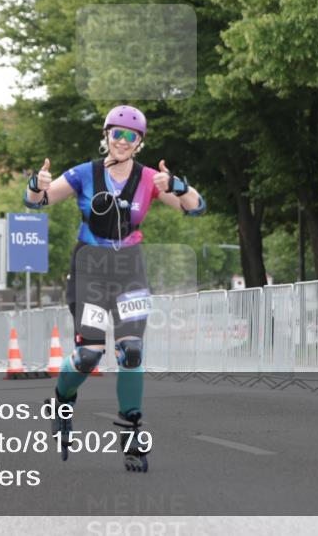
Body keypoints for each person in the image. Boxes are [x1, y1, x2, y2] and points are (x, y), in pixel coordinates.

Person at [24, 105, 206, 472]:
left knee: (132, 351)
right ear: (106, 135)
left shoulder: (150, 178)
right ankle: (62, 399)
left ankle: (131, 430)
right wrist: (35, 185)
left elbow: (196, 207)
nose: (122, 141)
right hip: (89, 267)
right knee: (90, 354)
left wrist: (179, 186)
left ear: (140, 143)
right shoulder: (83, 173)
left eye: (131, 136)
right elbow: (38, 202)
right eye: (116, 134)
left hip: (129, 269)